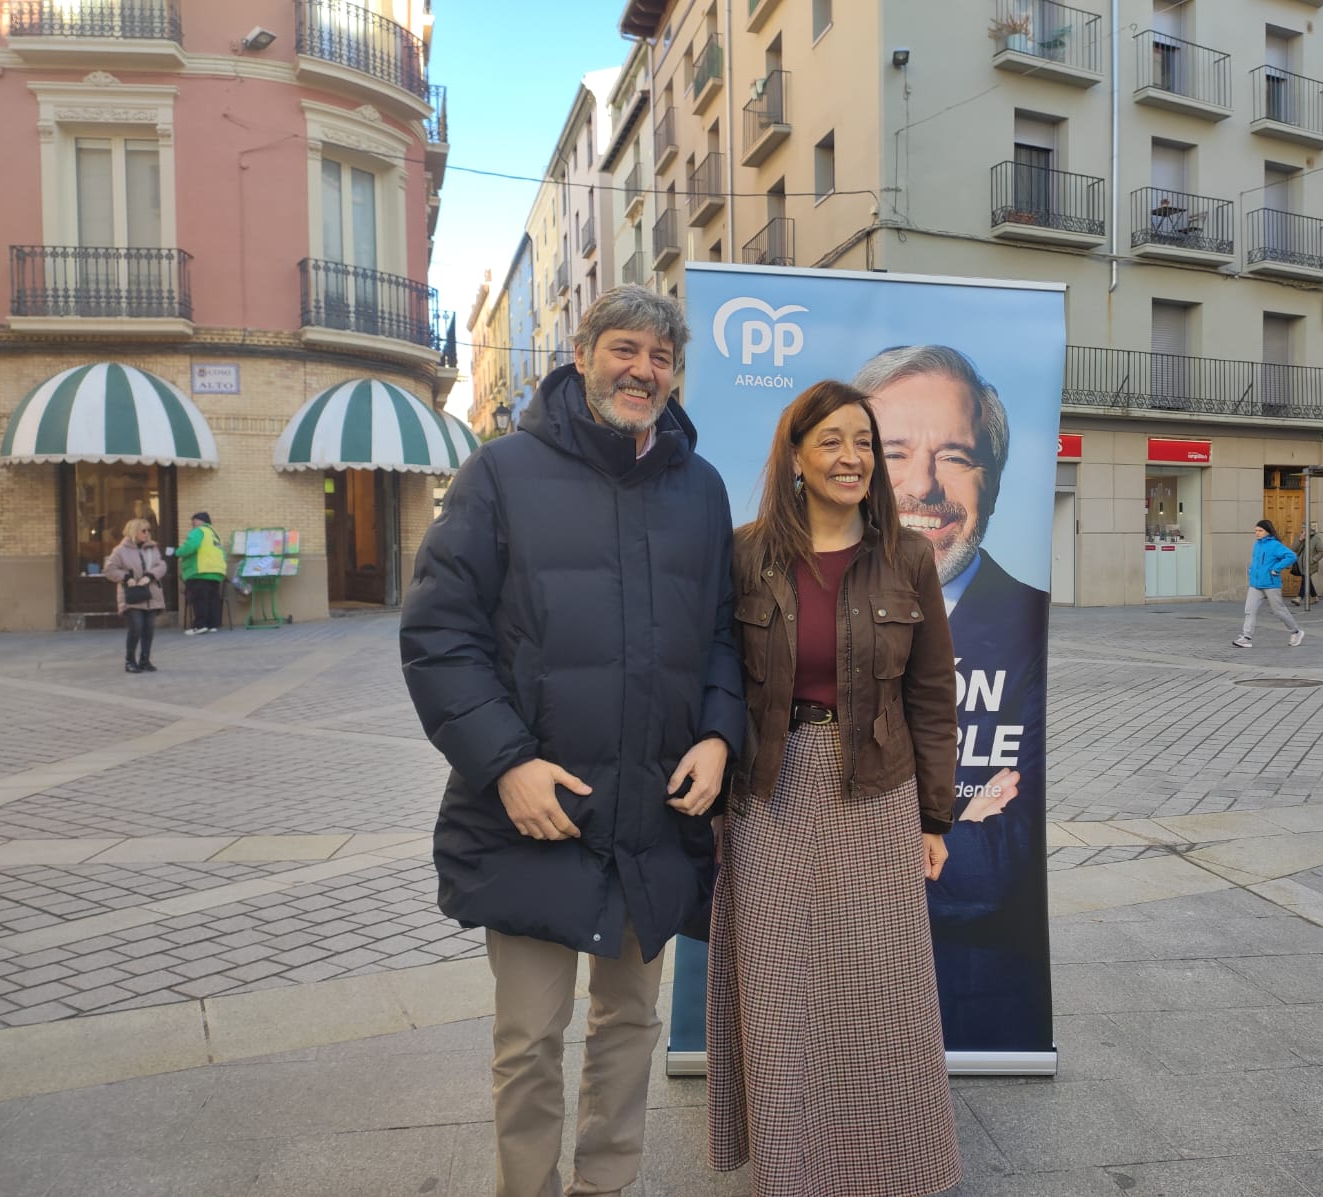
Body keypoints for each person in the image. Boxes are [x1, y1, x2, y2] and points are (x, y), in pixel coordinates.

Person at [399, 286, 744, 1197]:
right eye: (625, 349)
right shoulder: (500, 473)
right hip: (533, 814)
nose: (643, 370)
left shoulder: (701, 488)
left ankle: (606, 1185)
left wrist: (719, 733)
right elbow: (439, 635)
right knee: (528, 1038)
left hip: (651, 814)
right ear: (583, 354)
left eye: (662, 357)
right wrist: (506, 762)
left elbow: (723, 633)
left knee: (630, 1024)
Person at [708, 380, 962, 1197]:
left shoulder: (908, 558)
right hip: (768, 795)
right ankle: (792, 1169)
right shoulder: (745, 555)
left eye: (863, 441)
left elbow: (932, 696)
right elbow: (714, 677)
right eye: (831, 441)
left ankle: (894, 1168)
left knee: (881, 991)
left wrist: (933, 817)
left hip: (876, 791)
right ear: (796, 456)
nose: (851, 457)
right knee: (782, 992)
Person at [853, 344, 1049, 1052]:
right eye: (894, 452)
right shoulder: (801, 609)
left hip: (969, 1005)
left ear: (992, 480)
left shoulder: (1028, 628)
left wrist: (841, 861)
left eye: (956, 456)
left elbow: (998, 864)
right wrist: (950, 831)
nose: (923, 485)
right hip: (825, 1001)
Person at [104, 518, 166, 673]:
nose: (147, 533)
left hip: (151, 594)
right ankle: (130, 661)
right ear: (134, 531)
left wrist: (150, 576)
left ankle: (145, 660)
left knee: (149, 629)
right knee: (136, 627)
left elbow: (161, 565)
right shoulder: (120, 550)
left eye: (149, 530)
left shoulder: (152, 548)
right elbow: (109, 569)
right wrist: (126, 578)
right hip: (132, 595)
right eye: (143, 530)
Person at [1235, 519, 1304, 648]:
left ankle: (1296, 632)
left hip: (1271, 584)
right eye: (1256, 530)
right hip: (1255, 584)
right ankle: (1246, 637)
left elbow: (1291, 556)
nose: (1257, 533)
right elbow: (1255, 561)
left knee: (1279, 611)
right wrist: (1251, 570)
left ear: (1267, 531)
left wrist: (1276, 568)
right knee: (1249, 610)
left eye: (1260, 530)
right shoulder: (1257, 544)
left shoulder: (1274, 545)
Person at [176, 511, 227, 634]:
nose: (192, 525)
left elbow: (190, 547)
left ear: (200, 521)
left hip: (200, 571)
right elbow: (223, 554)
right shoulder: (215, 534)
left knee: (199, 599)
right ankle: (212, 625)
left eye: (193, 522)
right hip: (216, 572)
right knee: (212, 599)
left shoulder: (199, 531)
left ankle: (200, 626)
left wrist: (177, 552)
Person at [1290, 522, 1323, 604]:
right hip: (1300, 564)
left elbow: (1321, 552)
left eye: (1305, 528)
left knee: (1305, 579)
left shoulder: (1316, 538)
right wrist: (1300, 540)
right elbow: (1292, 549)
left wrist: (1314, 560)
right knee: (1307, 579)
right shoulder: (1300, 537)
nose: (1304, 529)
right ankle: (1314, 596)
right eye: (1302, 528)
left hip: (1310, 564)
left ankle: (1299, 597)